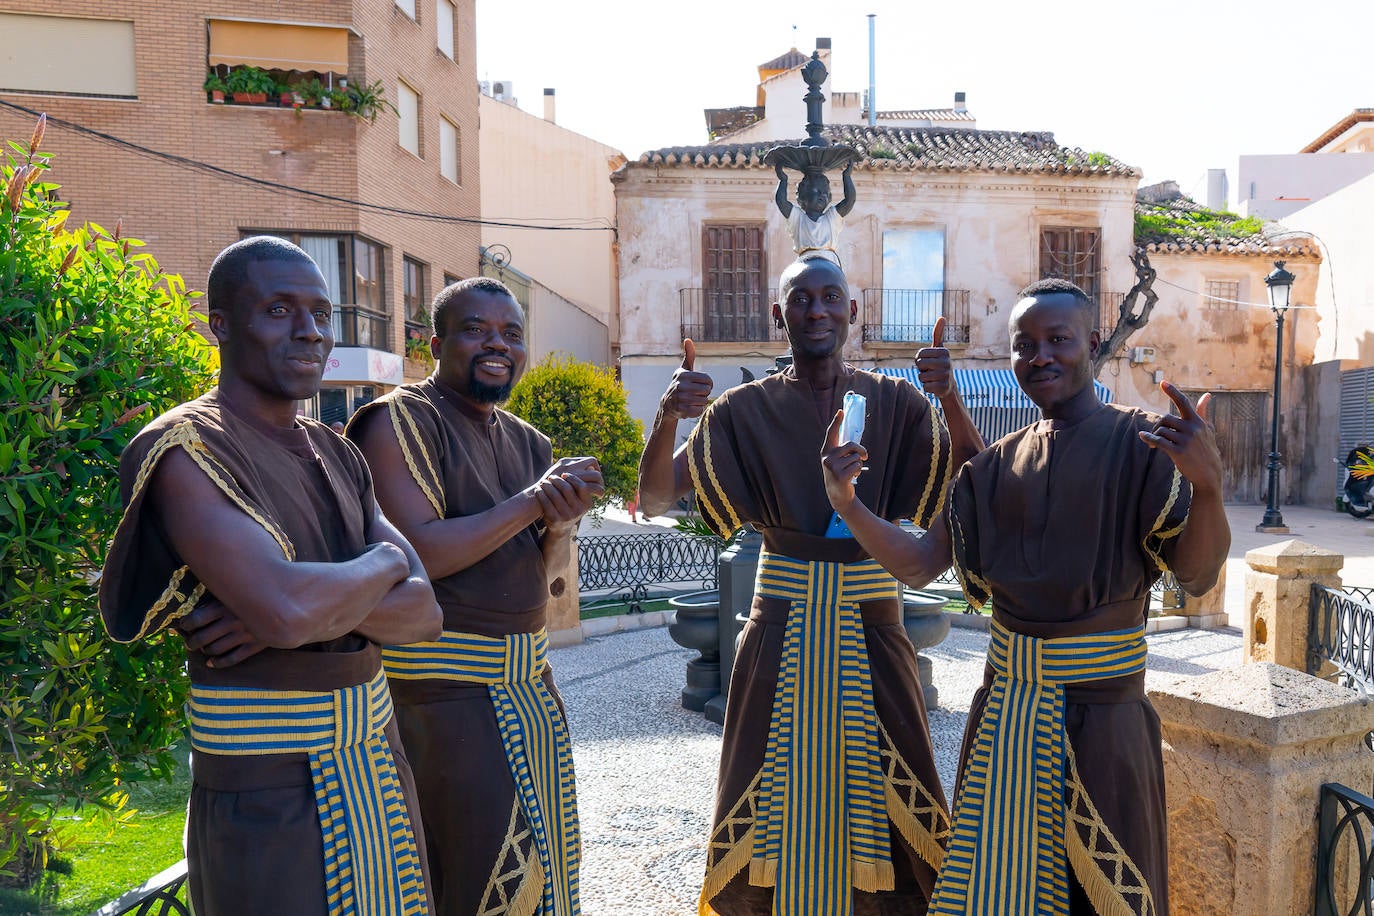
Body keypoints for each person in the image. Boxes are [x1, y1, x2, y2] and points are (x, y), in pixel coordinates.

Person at [820, 277, 1229, 915]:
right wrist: (847, 504)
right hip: (1005, 717)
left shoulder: (1144, 444)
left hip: (1105, 722)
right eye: (1024, 344)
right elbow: (922, 565)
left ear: (1092, 343)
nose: (1039, 356)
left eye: (1057, 339)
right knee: (993, 894)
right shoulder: (989, 468)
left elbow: (1198, 577)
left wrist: (1208, 488)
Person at [98, 236, 442, 916]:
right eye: (279, 310)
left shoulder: (336, 453)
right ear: (220, 324)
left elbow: (425, 615)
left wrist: (313, 605)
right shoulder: (185, 449)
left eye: (320, 312)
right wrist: (384, 562)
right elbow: (287, 612)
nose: (310, 330)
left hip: (376, 765)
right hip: (266, 790)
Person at [638, 254, 984, 916]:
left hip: (875, 626)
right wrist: (666, 416)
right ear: (779, 314)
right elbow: (654, 497)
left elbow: (973, 478)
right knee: (763, 788)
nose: (817, 310)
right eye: (801, 299)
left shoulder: (901, 402)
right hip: (779, 628)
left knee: (899, 786)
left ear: (852, 312)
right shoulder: (743, 411)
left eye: (831, 298)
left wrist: (951, 398)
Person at [348, 276, 603, 916]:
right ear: (437, 342)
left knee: (547, 868)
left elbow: (539, 576)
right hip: (440, 699)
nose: (497, 345)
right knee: (472, 874)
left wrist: (562, 519)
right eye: (476, 330)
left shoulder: (528, 442)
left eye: (512, 334)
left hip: (530, 688)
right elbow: (419, 554)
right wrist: (534, 501)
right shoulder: (396, 421)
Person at [774, 162, 856, 263]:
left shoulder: (831, 217)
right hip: (805, 260)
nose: (822, 195)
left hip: (829, 260)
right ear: (802, 198)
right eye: (816, 191)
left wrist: (846, 176)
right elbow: (781, 201)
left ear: (829, 198)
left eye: (825, 192)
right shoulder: (798, 218)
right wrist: (783, 180)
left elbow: (849, 200)